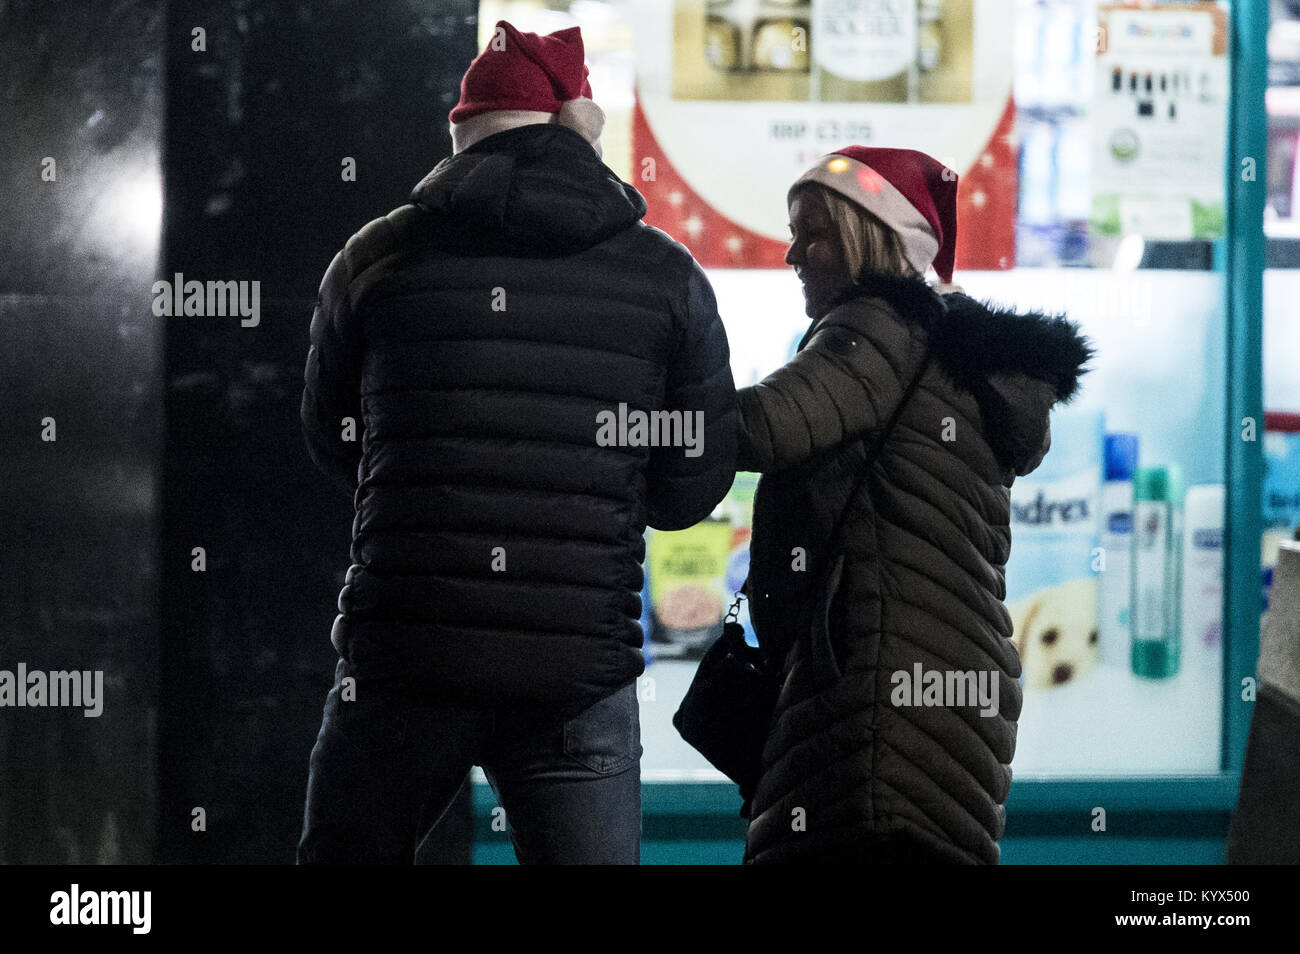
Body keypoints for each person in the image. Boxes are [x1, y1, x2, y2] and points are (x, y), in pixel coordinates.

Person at [296, 21, 737, 865]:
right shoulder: (664, 274)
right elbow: (691, 489)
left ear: (461, 134)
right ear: (578, 128)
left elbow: (336, 440)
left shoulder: (375, 258)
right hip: (574, 668)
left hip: (402, 658)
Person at [737, 147, 1093, 864]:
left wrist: (644, 391)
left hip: (877, 701)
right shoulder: (954, 352)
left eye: (815, 233)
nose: (792, 253)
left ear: (874, 240)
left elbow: (757, 428)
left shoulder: (877, 328)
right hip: (955, 688)